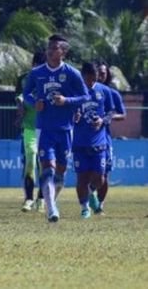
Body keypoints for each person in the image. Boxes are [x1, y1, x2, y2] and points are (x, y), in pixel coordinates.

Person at [22, 34, 90, 222]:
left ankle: (52, 200)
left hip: (66, 129)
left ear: (64, 52)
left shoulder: (72, 73)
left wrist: (66, 100)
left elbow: (85, 96)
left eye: (55, 48)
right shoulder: (37, 73)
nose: (51, 51)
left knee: (60, 172)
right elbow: (26, 93)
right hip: (44, 129)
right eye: (49, 48)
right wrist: (35, 102)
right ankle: (52, 208)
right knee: (48, 169)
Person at [72, 62, 115, 219]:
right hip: (79, 143)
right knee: (81, 178)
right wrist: (73, 117)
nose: (90, 83)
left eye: (93, 79)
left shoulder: (104, 91)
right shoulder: (75, 90)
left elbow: (111, 112)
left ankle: (90, 192)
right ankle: (84, 208)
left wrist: (102, 120)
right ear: (82, 76)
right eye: (88, 79)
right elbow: (67, 110)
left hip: (99, 143)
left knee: (100, 178)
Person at [92, 61, 126, 214]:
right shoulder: (84, 90)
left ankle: (100, 205)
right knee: (87, 173)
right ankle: (88, 199)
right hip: (85, 137)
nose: (100, 75)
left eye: (103, 73)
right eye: (98, 72)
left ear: (107, 75)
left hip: (104, 137)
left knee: (105, 173)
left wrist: (107, 118)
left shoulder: (112, 93)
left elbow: (122, 114)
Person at [15, 50, 46, 212]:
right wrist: (20, 110)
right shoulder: (24, 79)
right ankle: (28, 198)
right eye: (36, 65)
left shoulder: (51, 79)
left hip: (47, 128)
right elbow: (20, 98)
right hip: (29, 128)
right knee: (30, 161)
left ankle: (41, 198)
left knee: (44, 164)